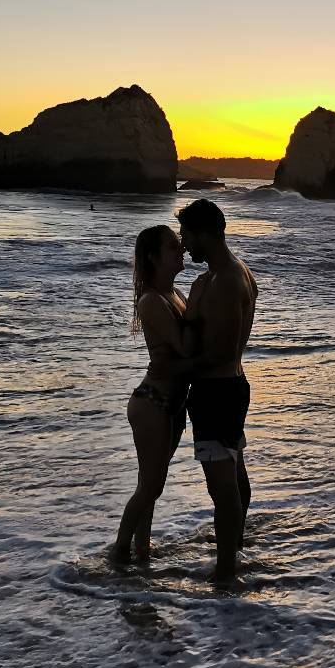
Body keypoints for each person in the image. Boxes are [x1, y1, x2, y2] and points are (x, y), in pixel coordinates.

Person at [177, 199, 258, 583]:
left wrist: (173, 371)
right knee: (234, 468)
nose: (183, 243)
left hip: (218, 390)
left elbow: (221, 350)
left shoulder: (226, 279)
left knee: (221, 483)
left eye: (186, 235)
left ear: (205, 233)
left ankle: (226, 568)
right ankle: (235, 547)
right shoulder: (220, 275)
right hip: (227, 387)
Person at [112, 225, 189, 562]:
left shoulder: (178, 295)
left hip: (172, 404)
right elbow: (186, 348)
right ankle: (120, 552)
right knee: (151, 486)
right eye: (173, 247)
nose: (182, 250)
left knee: (150, 485)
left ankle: (141, 551)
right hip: (153, 403)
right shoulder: (152, 301)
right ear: (155, 257)